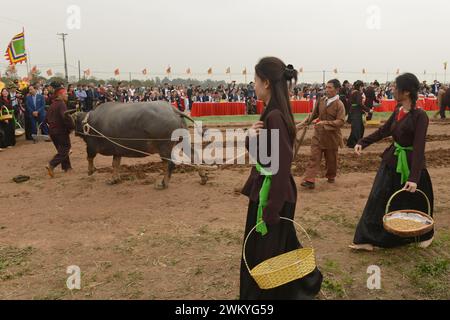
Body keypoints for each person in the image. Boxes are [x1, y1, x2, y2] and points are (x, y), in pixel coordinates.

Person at [240, 57, 322, 300]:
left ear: (265, 82)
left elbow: (281, 165)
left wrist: (271, 208)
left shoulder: (274, 116)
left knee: (269, 253)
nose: (252, 85)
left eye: (254, 80)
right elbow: (262, 156)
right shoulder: (272, 112)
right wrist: (250, 138)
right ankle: (306, 284)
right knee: (281, 246)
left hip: (273, 195)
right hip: (270, 192)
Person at [350, 73, 434, 251]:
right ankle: (371, 238)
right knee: (378, 199)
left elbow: (419, 148)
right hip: (392, 161)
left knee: (415, 203)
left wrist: (413, 177)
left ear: (406, 91)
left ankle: (424, 235)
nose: (392, 90)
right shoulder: (397, 110)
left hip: (412, 166)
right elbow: (384, 131)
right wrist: (362, 142)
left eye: (395, 87)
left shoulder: (420, 116)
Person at [299, 79, 346, 189]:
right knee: (314, 157)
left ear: (337, 89)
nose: (327, 90)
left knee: (331, 160)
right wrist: (304, 123)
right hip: (318, 135)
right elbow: (314, 114)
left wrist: (325, 123)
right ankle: (309, 180)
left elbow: (341, 121)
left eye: (330, 88)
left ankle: (331, 176)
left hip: (332, 137)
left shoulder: (339, 105)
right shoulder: (321, 100)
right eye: (327, 87)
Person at [45, 82, 75, 177]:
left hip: (52, 131)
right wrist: (71, 127)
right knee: (65, 149)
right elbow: (65, 117)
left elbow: (46, 119)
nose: (67, 95)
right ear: (60, 95)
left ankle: (67, 167)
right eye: (65, 94)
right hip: (60, 131)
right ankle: (51, 164)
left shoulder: (52, 105)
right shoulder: (61, 104)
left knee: (61, 150)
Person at [347, 80, 370, 148]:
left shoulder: (352, 92)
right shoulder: (358, 93)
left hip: (353, 111)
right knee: (358, 128)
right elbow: (360, 104)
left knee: (356, 128)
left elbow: (349, 103)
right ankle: (356, 144)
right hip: (356, 112)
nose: (362, 88)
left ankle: (350, 143)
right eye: (362, 86)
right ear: (360, 86)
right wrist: (368, 110)